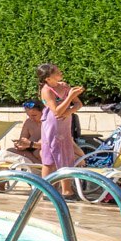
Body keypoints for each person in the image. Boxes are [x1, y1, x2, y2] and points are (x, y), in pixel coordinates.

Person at [36, 62, 83, 192]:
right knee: (50, 157)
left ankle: (66, 191)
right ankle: (46, 190)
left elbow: (79, 104)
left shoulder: (65, 86)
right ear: (48, 78)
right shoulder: (46, 90)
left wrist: (69, 111)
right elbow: (56, 111)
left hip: (64, 123)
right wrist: (69, 97)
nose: (60, 73)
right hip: (53, 124)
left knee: (66, 154)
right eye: (57, 72)